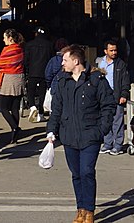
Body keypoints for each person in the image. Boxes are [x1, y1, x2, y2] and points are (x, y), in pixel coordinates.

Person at [46, 44, 115, 223]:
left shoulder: (96, 79)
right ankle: (80, 209)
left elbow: (108, 105)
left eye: (65, 60)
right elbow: (56, 108)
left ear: (76, 61)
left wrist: (102, 129)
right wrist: (51, 130)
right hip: (69, 135)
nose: (62, 63)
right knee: (76, 174)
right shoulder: (62, 80)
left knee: (87, 171)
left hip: (90, 134)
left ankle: (90, 210)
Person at [96, 39, 128, 156]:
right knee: (105, 120)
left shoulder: (120, 64)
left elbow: (125, 80)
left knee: (117, 121)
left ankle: (118, 145)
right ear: (106, 51)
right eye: (111, 50)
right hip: (104, 96)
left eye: (115, 50)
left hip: (116, 94)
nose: (114, 52)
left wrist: (124, 94)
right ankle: (107, 143)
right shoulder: (100, 63)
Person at [0, 28, 25, 145]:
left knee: (3, 107)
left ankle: (14, 127)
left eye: (4, 37)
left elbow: (1, 64)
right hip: (19, 78)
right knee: (14, 107)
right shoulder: (20, 49)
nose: (3, 40)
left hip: (9, 79)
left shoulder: (7, 49)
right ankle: (15, 134)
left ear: (10, 38)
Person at [23, 27, 54, 122]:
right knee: (42, 93)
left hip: (33, 71)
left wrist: (26, 70)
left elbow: (26, 60)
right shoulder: (49, 45)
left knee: (30, 90)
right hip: (44, 72)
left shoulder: (29, 45)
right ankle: (40, 114)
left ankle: (32, 106)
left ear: (36, 34)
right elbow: (51, 59)